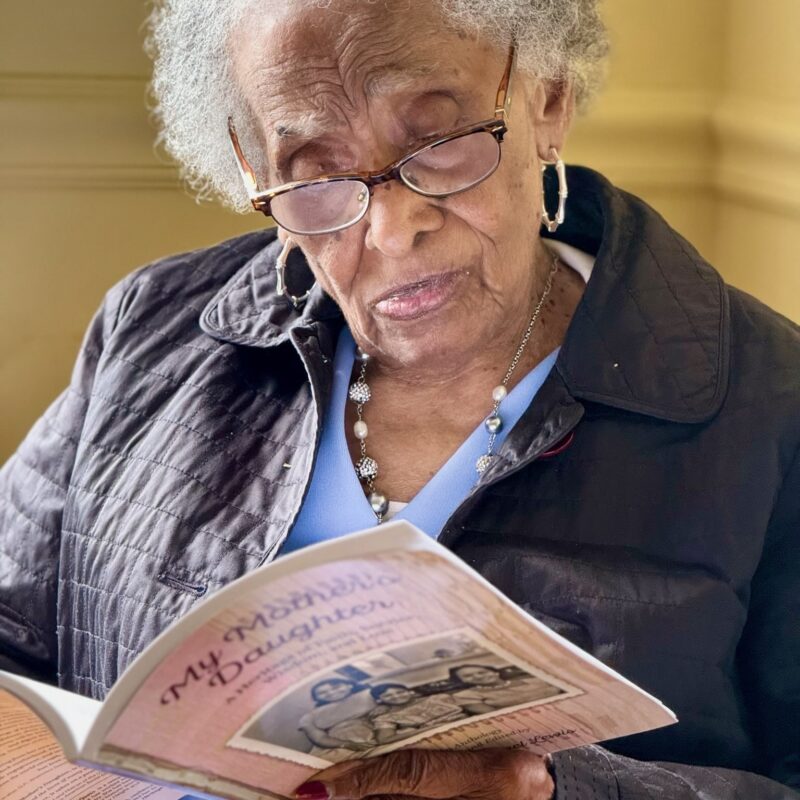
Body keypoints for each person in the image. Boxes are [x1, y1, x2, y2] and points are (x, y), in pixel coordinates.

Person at [0, 0, 797, 798]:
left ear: (548, 98)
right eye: (315, 175)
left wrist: (563, 791)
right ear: (253, 169)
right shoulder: (150, 330)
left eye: (440, 145)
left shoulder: (770, 406)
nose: (390, 229)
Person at [296, 678, 377, 758]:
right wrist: (346, 744)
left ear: (350, 685)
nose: (331, 693)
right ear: (316, 698)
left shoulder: (370, 694)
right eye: (322, 693)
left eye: (336, 687)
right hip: (335, 747)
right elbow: (319, 738)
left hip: (375, 734)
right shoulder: (309, 717)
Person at [366, 683, 470, 744]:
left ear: (411, 692)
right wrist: (430, 729)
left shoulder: (439, 698)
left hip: (468, 724)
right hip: (441, 736)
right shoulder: (385, 717)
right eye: (387, 695)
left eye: (400, 692)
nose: (396, 696)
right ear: (379, 700)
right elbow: (385, 739)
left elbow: (471, 705)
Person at [447, 664, 563, 713]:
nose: (478, 676)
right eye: (468, 676)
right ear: (462, 681)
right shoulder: (465, 695)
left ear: (495, 672)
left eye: (481, 672)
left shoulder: (537, 680)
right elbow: (493, 715)